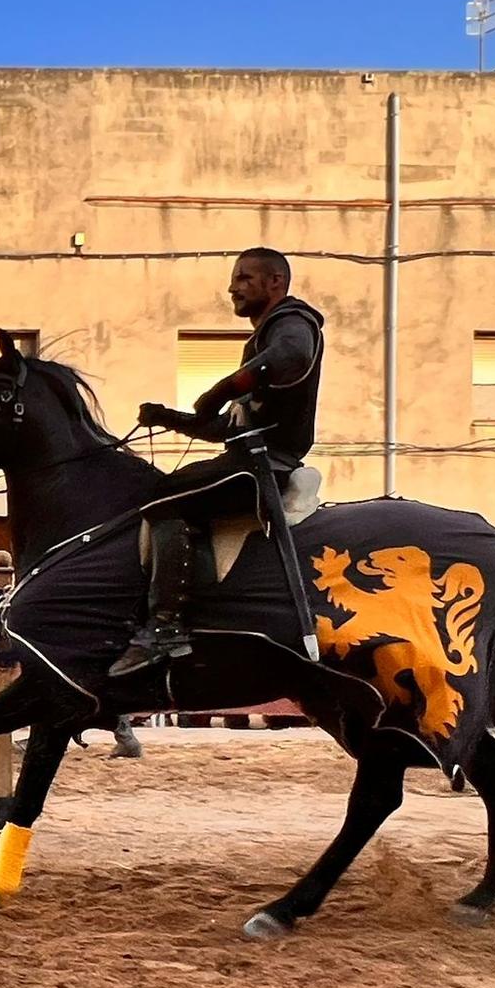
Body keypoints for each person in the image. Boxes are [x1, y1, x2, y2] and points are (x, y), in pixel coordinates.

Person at [113, 248, 324, 675]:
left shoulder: (292, 323)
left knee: (163, 499)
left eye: (246, 278)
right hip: (248, 457)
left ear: (275, 283)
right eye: (235, 278)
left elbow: (291, 358)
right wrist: (169, 418)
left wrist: (221, 389)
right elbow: (227, 429)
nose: (233, 287)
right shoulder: (261, 338)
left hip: (265, 466)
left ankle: (166, 627)